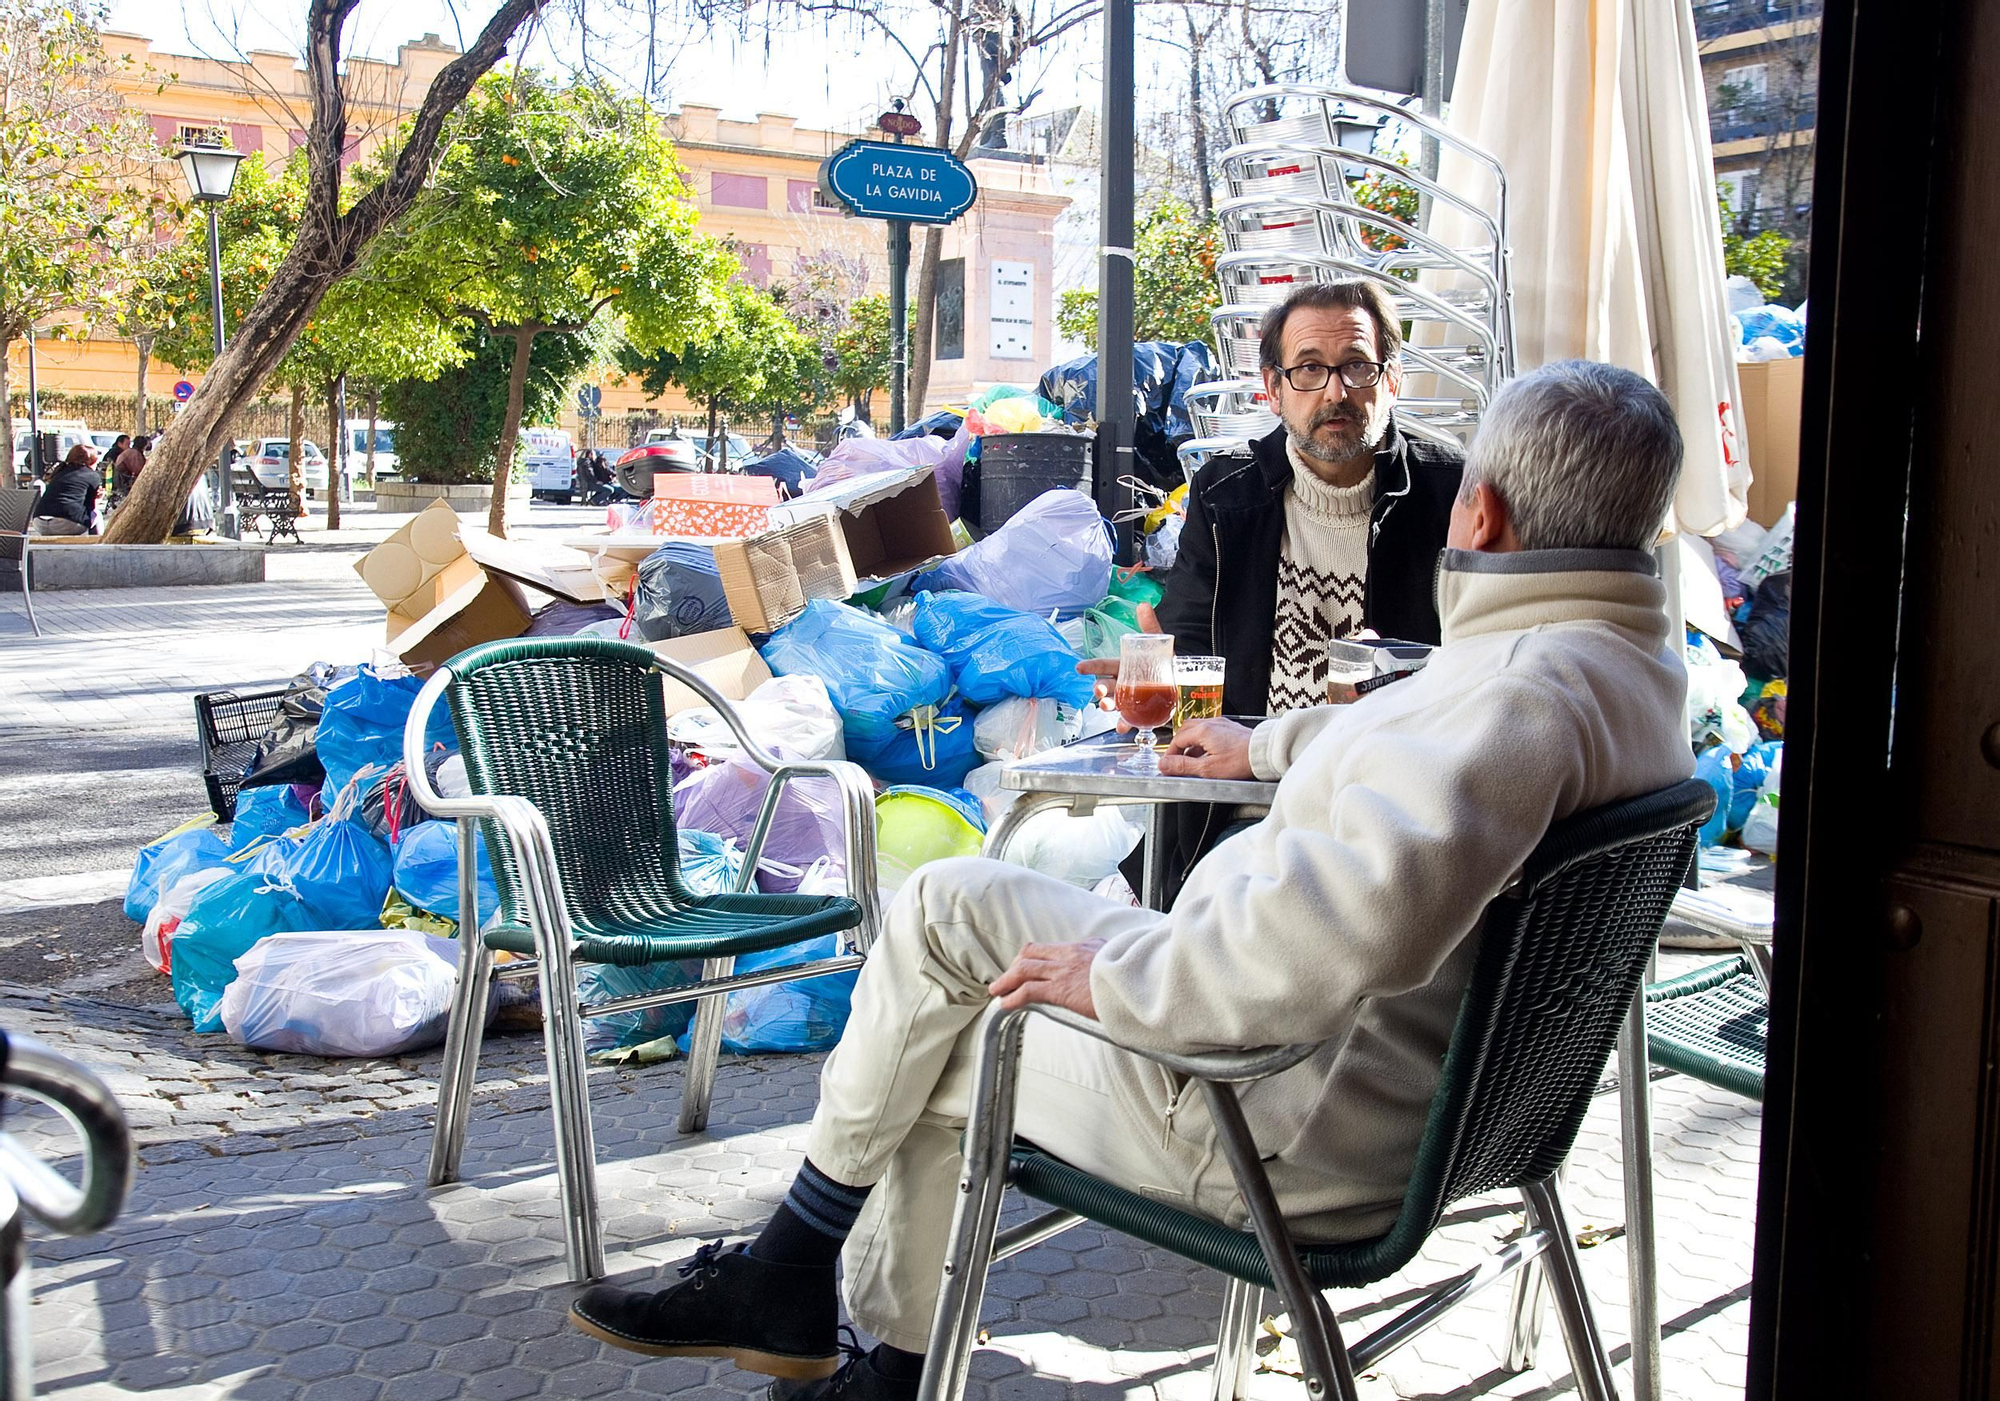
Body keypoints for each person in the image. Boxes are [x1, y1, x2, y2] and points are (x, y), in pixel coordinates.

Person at [565, 360, 1696, 1400]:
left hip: (1280, 1127)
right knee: (945, 918)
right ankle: (809, 1293)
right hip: (1437, 1106)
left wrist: (1119, 968)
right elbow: (1424, 754)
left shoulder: (1508, 703)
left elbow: (1298, 957)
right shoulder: (1619, 672)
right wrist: (1260, 746)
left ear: (1482, 512)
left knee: (939, 1027)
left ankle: (827, 1311)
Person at [1091, 280, 1467, 900]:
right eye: (1310, 370)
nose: (1336, 392)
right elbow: (1187, 653)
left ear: (1391, 380)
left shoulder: (1450, 496)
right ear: (1272, 390)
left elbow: (1478, 677)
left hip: (1387, 826)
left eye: (1357, 367)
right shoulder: (1225, 493)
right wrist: (1147, 679)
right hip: (1234, 817)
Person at [31, 445, 101, 536]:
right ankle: (97, 544)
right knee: (97, 514)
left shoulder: (59, 471)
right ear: (92, 461)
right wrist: (98, 498)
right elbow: (90, 506)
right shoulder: (92, 476)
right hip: (66, 523)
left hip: (39, 522)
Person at [113, 434, 150, 500]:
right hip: (124, 481)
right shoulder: (135, 454)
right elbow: (139, 470)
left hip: (120, 479)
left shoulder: (130, 452)